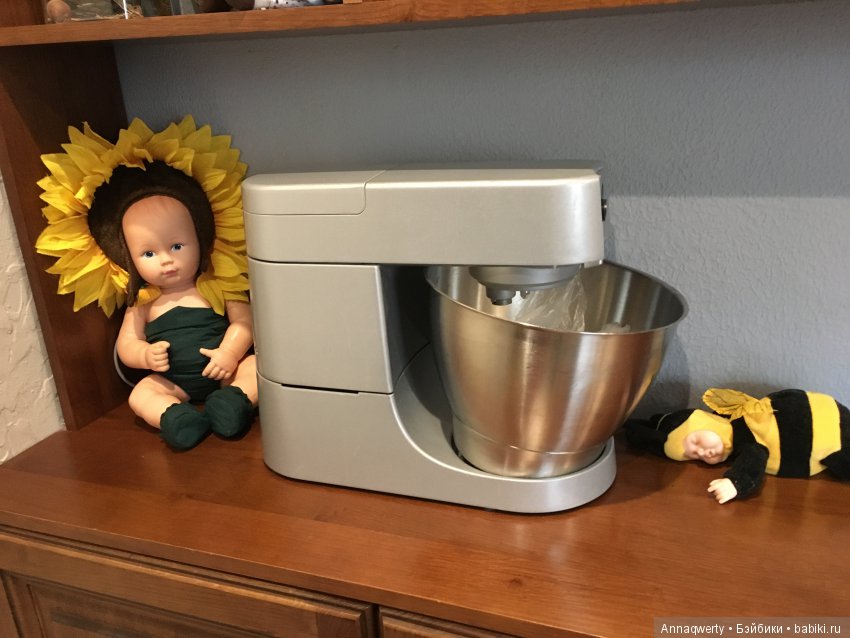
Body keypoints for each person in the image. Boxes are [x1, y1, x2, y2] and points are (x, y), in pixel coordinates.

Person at [89, 161, 257, 450]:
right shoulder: (143, 302)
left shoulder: (219, 284)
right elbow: (127, 343)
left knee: (256, 368)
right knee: (140, 394)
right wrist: (144, 355)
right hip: (173, 382)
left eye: (177, 246)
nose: (166, 260)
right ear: (130, 258)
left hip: (225, 373)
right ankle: (177, 418)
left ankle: (232, 403)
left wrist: (230, 353)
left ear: (200, 240)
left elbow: (245, 323)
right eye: (149, 253)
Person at [624, 388, 850, 504]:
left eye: (696, 441)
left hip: (829, 433)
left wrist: (735, 483)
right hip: (831, 446)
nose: (703, 453)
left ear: (705, 420)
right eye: (695, 455)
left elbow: (755, 459)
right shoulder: (743, 431)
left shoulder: (745, 430)